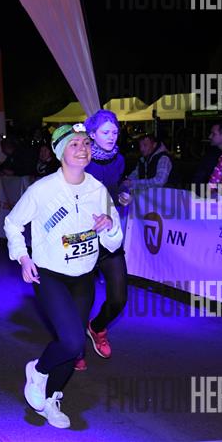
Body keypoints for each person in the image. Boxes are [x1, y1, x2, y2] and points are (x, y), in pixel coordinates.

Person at [4, 123, 122, 429]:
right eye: (74, 144)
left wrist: (110, 226)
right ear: (59, 153)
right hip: (50, 276)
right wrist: (23, 256)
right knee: (71, 341)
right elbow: (13, 223)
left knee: (75, 347)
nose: (83, 149)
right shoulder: (42, 190)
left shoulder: (98, 190)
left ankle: (52, 398)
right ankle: (39, 371)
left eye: (86, 143)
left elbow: (114, 242)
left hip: (83, 277)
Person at [78, 110, 130, 371]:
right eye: (106, 132)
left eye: (115, 132)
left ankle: (97, 327)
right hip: (82, 236)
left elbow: (116, 185)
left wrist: (123, 193)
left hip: (108, 234)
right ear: (92, 134)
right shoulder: (80, 157)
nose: (112, 137)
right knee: (82, 298)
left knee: (119, 298)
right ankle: (75, 347)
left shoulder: (119, 159)